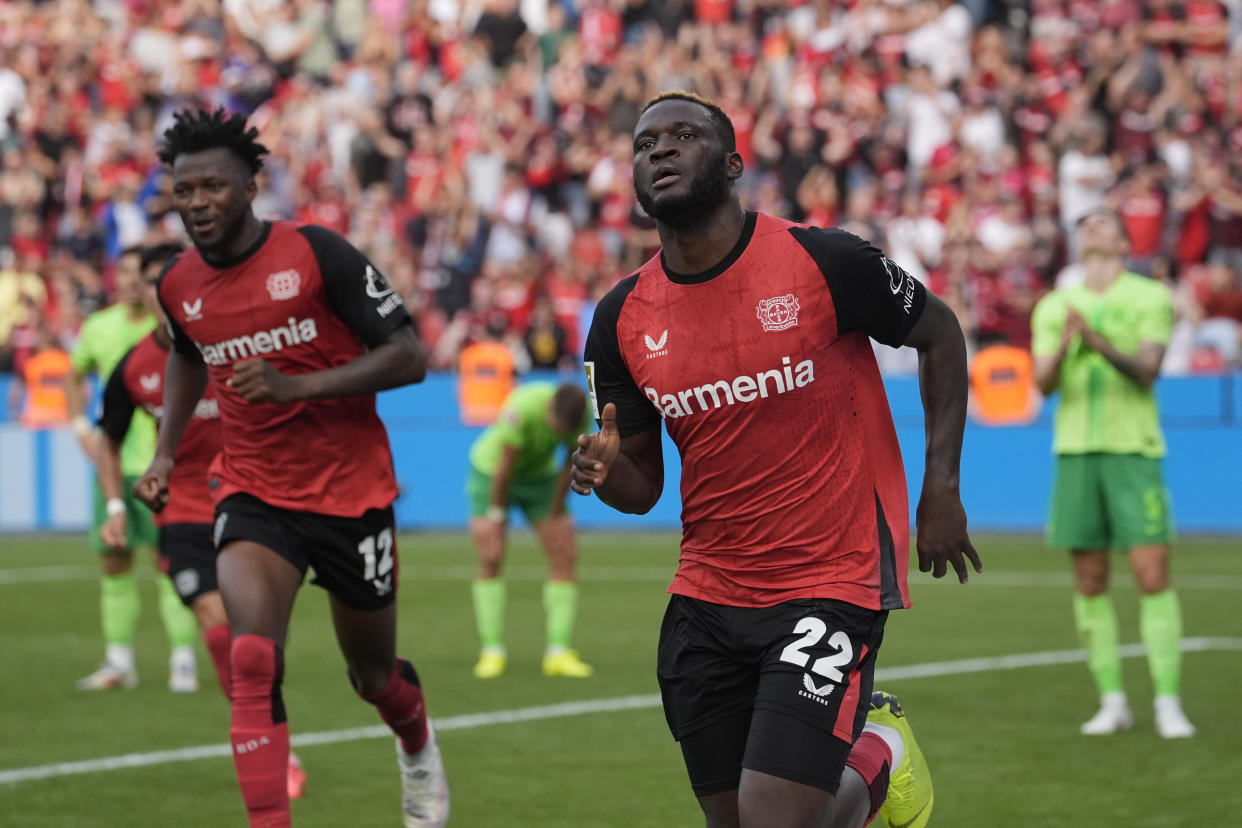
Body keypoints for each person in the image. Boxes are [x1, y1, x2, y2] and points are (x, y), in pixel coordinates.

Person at [572, 91, 980, 828]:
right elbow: (641, 488)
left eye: (682, 136)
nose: (658, 150)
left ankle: (880, 748)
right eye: (643, 143)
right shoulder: (620, 317)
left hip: (831, 578)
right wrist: (603, 476)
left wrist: (940, 487)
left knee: (776, 820)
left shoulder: (823, 260)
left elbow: (941, 334)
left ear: (731, 164)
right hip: (708, 593)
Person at [134, 108, 448, 828]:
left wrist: (295, 386)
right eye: (185, 191)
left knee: (374, 678)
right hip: (254, 489)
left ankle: (418, 747)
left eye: (214, 186)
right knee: (251, 659)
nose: (198, 203)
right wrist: (162, 453)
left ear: (252, 184)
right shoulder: (179, 283)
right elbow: (186, 353)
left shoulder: (316, 254)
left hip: (353, 493)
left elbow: (409, 355)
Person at [97, 241, 307, 799]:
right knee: (218, 624)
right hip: (183, 512)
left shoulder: (234, 343)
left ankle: (267, 726)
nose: (159, 295)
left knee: (257, 638)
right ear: (145, 293)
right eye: (148, 285)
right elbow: (107, 441)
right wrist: (117, 505)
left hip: (249, 499)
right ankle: (267, 746)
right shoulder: (133, 368)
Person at [1031, 208, 1194, 739]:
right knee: (1090, 579)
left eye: (1102, 223)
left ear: (1124, 242)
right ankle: (1113, 700)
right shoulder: (1055, 306)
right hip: (1076, 452)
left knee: (1152, 573)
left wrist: (1096, 341)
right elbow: (1043, 383)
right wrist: (1065, 342)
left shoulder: (1150, 297)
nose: (1091, 229)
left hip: (1133, 450)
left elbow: (1148, 371)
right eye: (1084, 225)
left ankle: (1167, 700)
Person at [66, 245, 200, 692]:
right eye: (123, 273)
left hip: (168, 469)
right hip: (117, 464)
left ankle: (183, 660)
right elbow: (73, 374)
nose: (129, 282)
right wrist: (80, 426)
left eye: (136, 274)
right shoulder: (99, 328)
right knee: (115, 559)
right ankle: (119, 661)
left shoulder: (176, 328)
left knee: (171, 564)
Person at [466, 381, 594, 679]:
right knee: (491, 556)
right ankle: (492, 651)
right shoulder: (523, 407)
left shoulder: (582, 415)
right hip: (490, 473)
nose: (557, 433)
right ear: (549, 409)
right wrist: (496, 517)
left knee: (564, 552)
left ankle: (558, 653)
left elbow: (569, 464)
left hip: (539, 480)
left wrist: (556, 511)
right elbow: (504, 468)